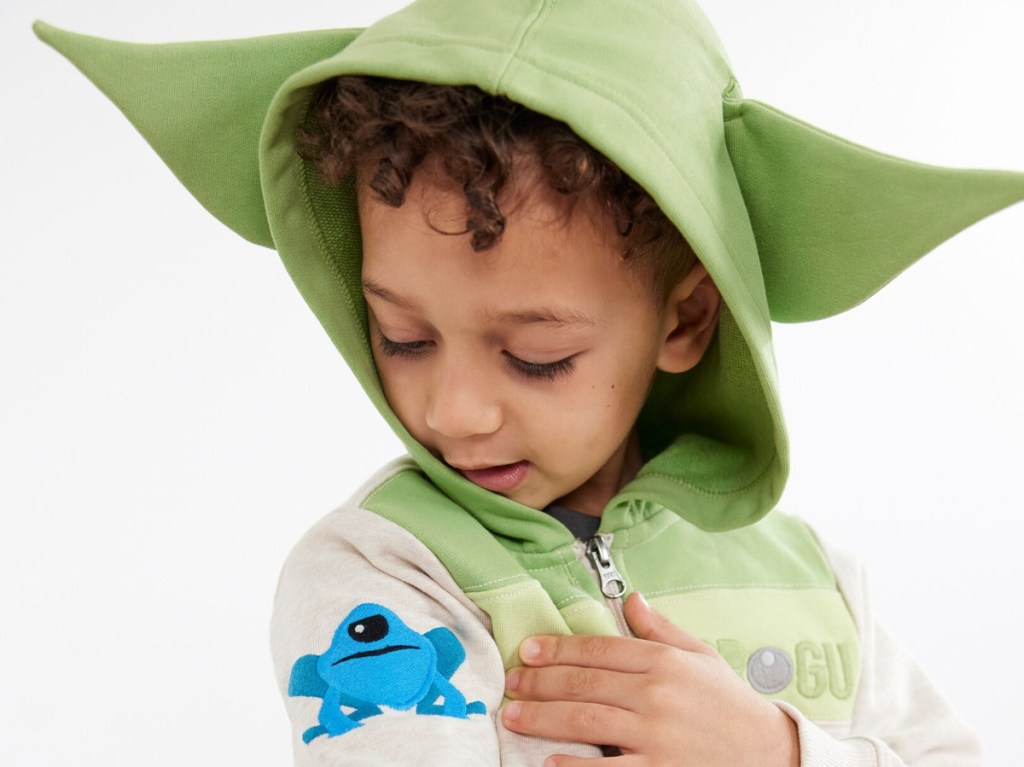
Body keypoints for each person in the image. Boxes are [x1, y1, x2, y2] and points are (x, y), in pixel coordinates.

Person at [34, 0, 1024, 764]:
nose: (452, 410)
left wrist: (778, 748)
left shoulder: (810, 577)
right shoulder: (383, 572)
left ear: (684, 318)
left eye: (536, 355)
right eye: (403, 336)